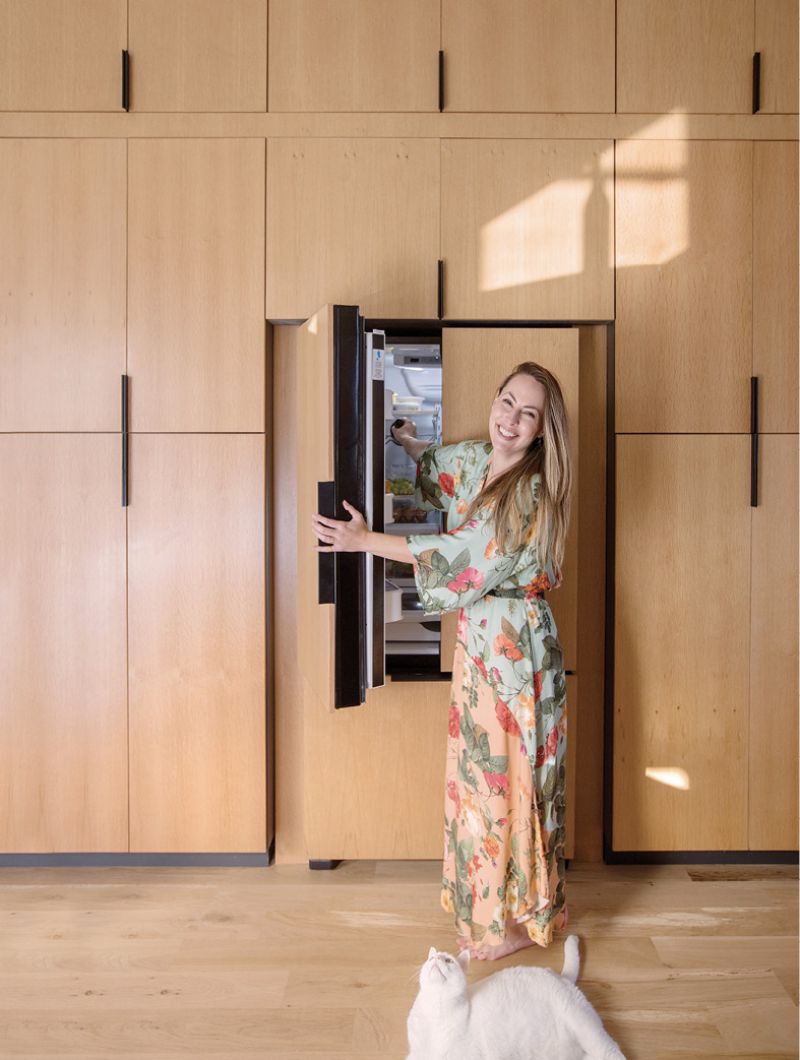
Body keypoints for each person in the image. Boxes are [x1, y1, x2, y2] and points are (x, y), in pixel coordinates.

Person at [310, 361, 573, 961]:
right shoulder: (479, 459)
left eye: (527, 413)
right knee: (483, 782)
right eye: (506, 402)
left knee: (513, 784)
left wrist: (363, 541)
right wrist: (403, 440)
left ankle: (514, 922)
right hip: (482, 644)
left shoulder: (529, 492)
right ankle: (491, 913)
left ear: (542, 429)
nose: (509, 420)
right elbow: (433, 473)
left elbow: (459, 556)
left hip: (516, 651)